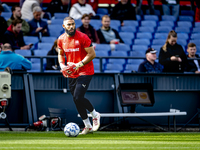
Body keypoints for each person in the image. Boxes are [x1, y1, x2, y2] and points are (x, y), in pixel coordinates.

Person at [58, 16, 100, 135]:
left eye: (73, 24)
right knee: (77, 100)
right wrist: (62, 65)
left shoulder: (83, 37)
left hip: (85, 70)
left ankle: (95, 115)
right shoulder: (61, 39)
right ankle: (87, 126)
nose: (71, 26)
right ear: (64, 26)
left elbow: (92, 54)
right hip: (72, 72)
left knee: (78, 97)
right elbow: (60, 54)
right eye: (69, 24)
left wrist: (79, 64)